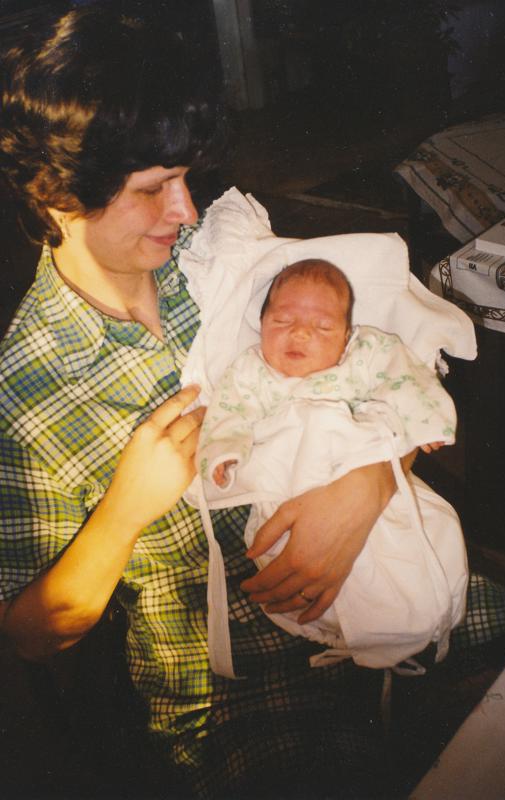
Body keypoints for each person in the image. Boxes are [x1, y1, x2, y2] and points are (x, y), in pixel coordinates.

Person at [0, 6, 414, 798]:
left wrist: (371, 479)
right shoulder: (27, 393)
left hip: (377, 573)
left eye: (185, 179)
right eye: (153, 189)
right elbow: (32, 637)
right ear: (56, 193)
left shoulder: (217, 260)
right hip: (237, 694)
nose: (186, 211)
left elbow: (382, 364)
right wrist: (124, 509)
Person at [197, 259, 468, 671]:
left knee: (409, 538)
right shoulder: (251, 371)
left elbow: (406, 378)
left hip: (357, 468)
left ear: (346, 336)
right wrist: (225, 453)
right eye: (282, 320)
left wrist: (423, 421)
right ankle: (342, 627)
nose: (300, 333)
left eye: (323, 327)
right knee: (286, 554)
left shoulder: (364, 354)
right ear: (261, 324)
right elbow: (228, 413)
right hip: (290, 489)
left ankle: (409, 618)